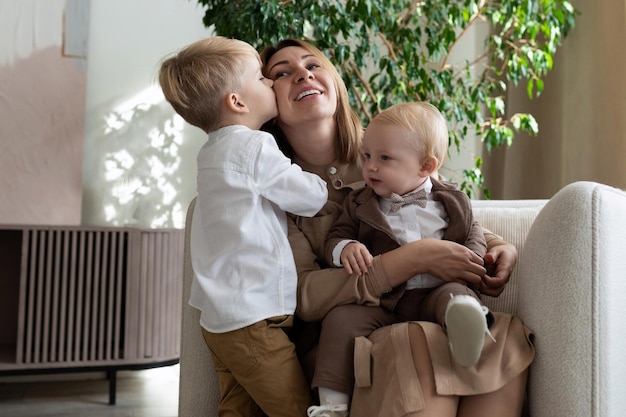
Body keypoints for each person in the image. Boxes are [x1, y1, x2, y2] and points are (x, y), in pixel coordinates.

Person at [260, 38, 534, 417]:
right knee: (416, 341)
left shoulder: (390, 145)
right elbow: (305, 295)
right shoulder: (273, 193)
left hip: (435, 306)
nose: (303, 74)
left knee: (503, 336)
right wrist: (412, 260)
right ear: (268, 102)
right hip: (350, 336)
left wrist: (499, 245)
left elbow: (442, 212)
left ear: (334, 82)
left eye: (312, 64)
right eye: (282, 72)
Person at [158, 36, 329, 417]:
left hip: (222, 321)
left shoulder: (211, 152)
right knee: (295, 409)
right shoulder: (253, 147)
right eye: (262, 78)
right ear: (237, 102)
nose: (270, 83)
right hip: (253, 320)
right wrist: (320, 182)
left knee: (237, 409)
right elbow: (311, 197)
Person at [314, 101, 497, 415]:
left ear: (425, 166)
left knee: (458, 297)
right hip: (385, 299)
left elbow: (472, 235)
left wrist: (475, 263)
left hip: (437, 291)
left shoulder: (453, 201)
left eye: (384, 158)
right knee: (340, 320)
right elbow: (335, 235)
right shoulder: (359, 203)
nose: (370, 166)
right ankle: (331, 405)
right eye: (367, 155)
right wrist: (344, 247)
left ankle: (467, 333)